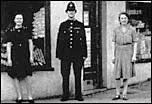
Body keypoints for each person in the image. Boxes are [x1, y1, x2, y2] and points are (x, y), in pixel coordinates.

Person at [56, 2, 87, 101]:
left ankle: (78, 95)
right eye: (69, 11)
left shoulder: (80, 25)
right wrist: (59, 54)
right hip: (65, 55)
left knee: (78, 74)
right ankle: (65, 95)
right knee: (65, 75)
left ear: (75, 12)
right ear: (67, 12)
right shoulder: (63, 25)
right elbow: (59, 40)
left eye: (73, 11)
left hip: (77, 54)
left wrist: (84, 54)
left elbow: (84, 40)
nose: (71, 13)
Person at [5, 13, 34, 103]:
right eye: (17, 19)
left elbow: (30, 43)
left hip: (25, 55)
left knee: (27, 76)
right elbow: (9, 45)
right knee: (15, 76)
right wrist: (9, 59)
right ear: (14, 20)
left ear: (22, 20)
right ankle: (19, 97)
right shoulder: (11, 32)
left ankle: (30, 97)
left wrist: (31, 56)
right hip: (15, 56)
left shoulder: (26, 30)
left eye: (20, 18)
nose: (19, 20)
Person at [112, 12, 138, 100]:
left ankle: (124, 93)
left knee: (126, 74)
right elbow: (113, 43)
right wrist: (113, 55)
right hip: (118, 51)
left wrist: (134, 55)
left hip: (128, 52)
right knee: (117, 74)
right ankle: (117, 93)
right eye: (122, 18)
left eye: (125, 18)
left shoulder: (132, 30)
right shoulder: (116, 30)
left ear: (128, 19)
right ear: (119, 20)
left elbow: (135, 43)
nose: (123, 20)